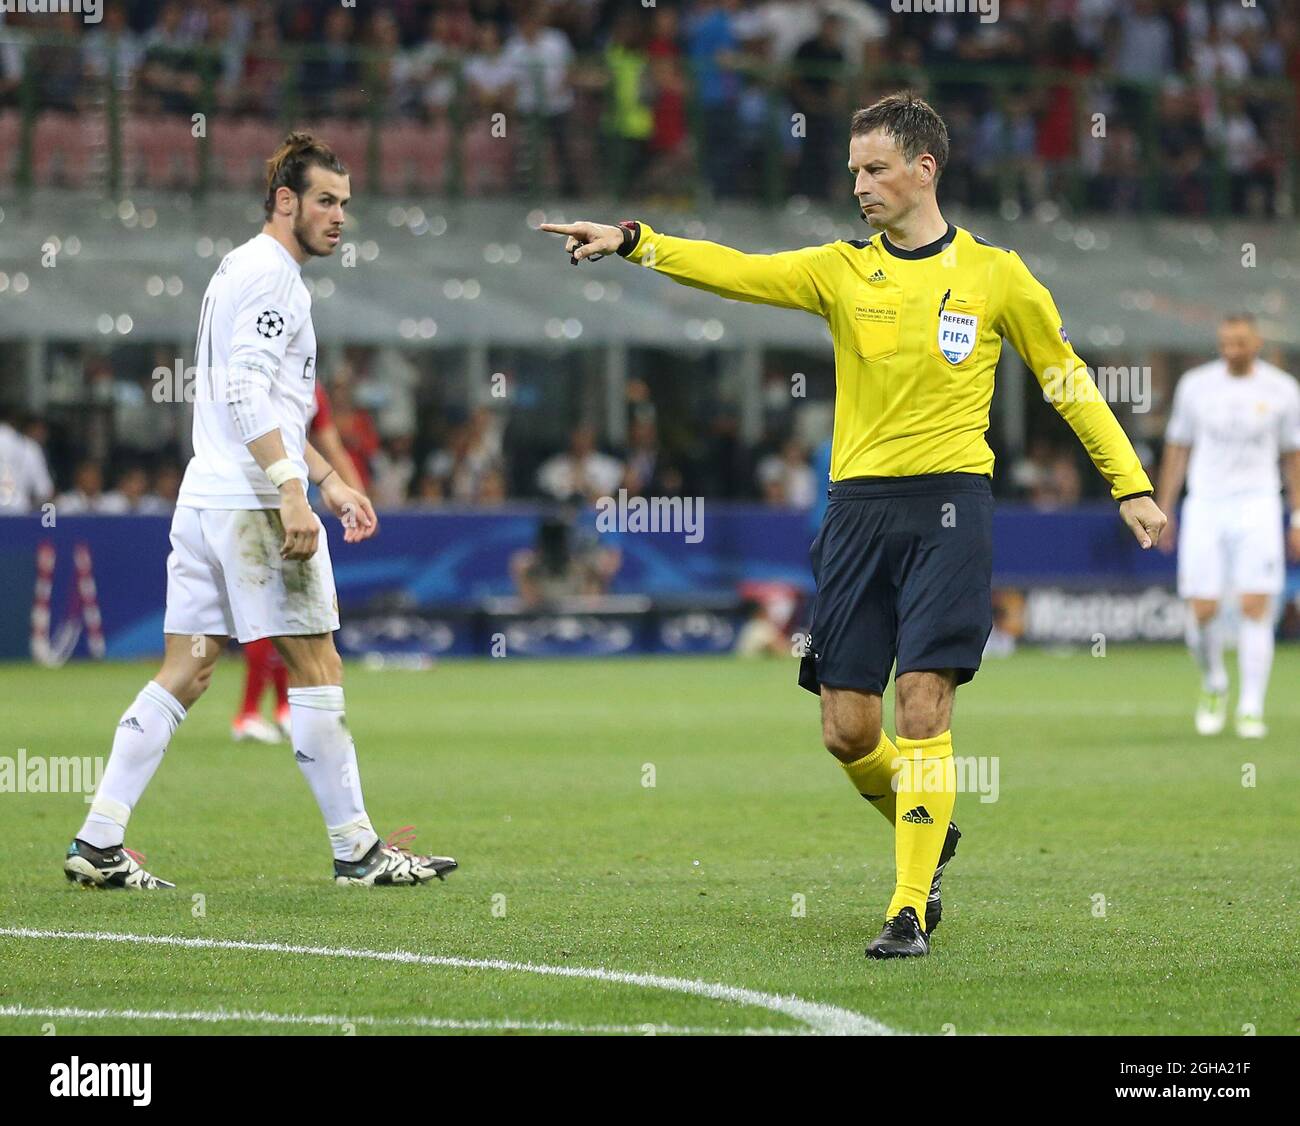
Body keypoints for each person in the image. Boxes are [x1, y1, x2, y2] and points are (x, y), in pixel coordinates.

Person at [541, 91, 1165, 959]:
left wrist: (1127, 482)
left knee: (922, 704)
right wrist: (636, 242)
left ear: (924, 169)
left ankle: (909, 907)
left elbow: (1065, 378)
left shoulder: (997, 275)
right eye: (852, 170)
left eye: (874, 169)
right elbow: (737, 269)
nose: (859, 185)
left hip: (953, 505)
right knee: (846, 729)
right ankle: (928, 828)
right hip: (858, 511)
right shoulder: (840, 269)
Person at [65, 132, 457, 890]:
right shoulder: (276, 279)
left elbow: (260, 401)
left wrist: (329, 479)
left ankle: (99, 839)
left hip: (204, 495)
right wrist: (290, 490)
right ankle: (358, 852)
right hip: (250, 504)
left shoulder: (238, 269)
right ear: (286, 201)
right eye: (325, 201)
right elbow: (246, 393)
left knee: (187, 667)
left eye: (345, 203)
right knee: (318, 664)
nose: (340, 216)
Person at [1155, 314, 1300, 739]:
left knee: (1257, 604)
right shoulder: (1196, 386)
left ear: (1256, 343)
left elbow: (1293, 458)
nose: (1231, 349)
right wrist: (1164, 508)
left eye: (1239, 342)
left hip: (1258, 504)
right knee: (1202, 609)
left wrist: (1297, 515)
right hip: (1205, 504)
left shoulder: (1283, 390)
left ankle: (1251, 706)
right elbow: (1178, 448)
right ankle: (1214, 681)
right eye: (1225, 342)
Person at [232, 380, 362, 745]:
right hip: (259, 497)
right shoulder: (257, 379)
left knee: (288, 611)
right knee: (273, 615)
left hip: (293, 499)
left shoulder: (310, 387)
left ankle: (282, 709)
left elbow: (325, 444)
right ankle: (249, 712)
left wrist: (351, 490)